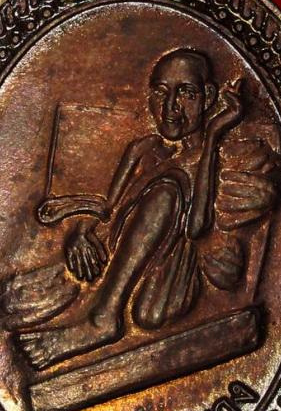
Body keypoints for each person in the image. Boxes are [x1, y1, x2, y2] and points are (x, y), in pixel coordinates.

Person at [18, 48, 245, 371]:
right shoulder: (141, 149)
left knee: (169, 189)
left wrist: (213, 136)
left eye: (186, 93)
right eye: (161, 93)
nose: (170, 107)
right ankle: (91, 309)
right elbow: (107, 209)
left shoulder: (207, 161)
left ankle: (104, 318)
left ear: (208, 97)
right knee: (17, 299)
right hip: (115, 257)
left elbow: (197, 227)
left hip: (165, 282)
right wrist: (80, 231)